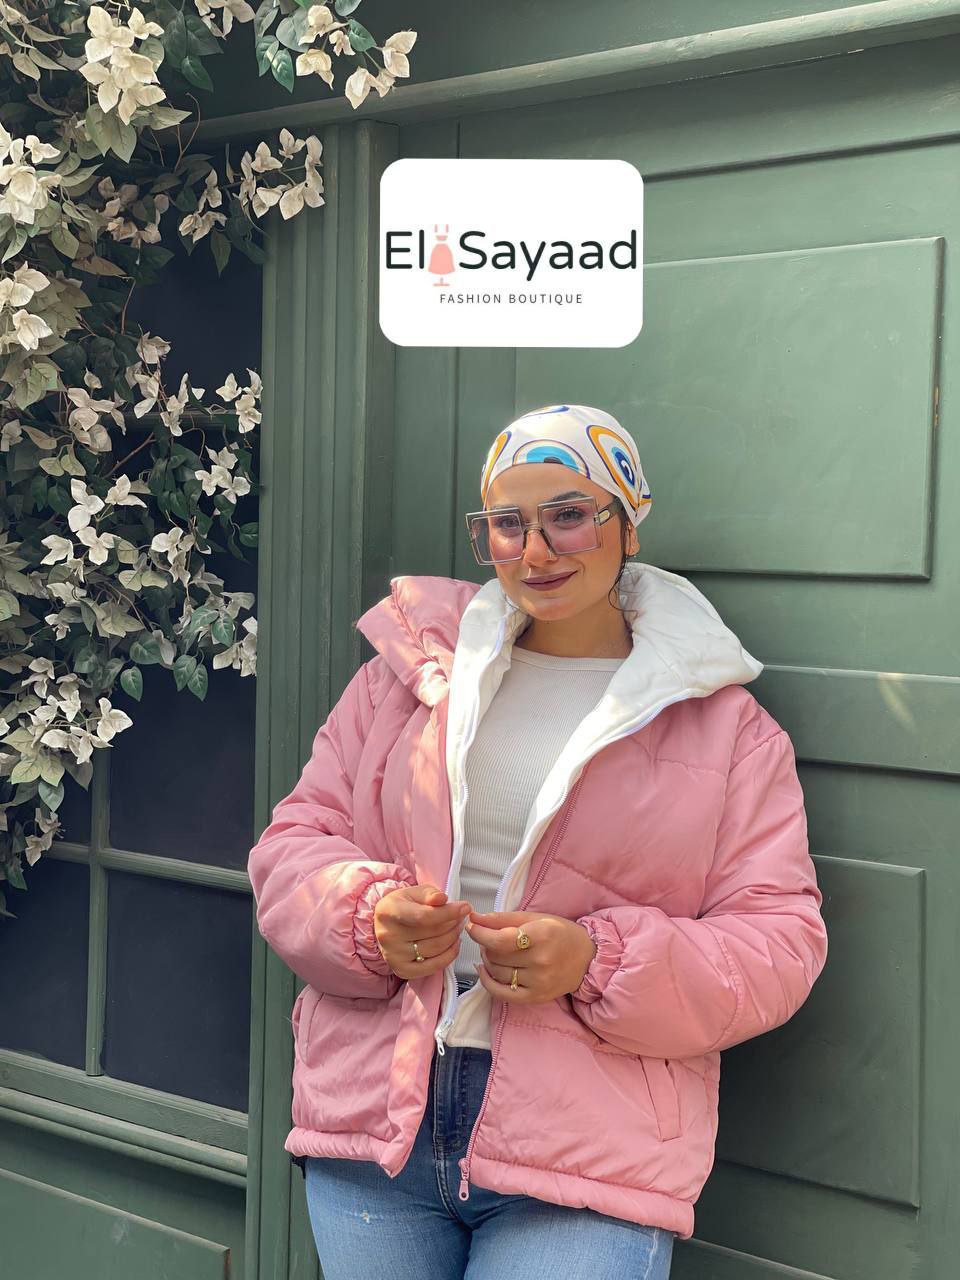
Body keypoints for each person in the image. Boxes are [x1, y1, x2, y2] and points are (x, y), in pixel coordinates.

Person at [247, 403, 829, 1279]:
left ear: (628, 522)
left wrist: (595, 961)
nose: (537, 550)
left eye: (569, 515)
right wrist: (367, 919)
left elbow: (780, 942)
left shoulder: (728, 730)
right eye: (507, 524)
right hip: (377, 1127)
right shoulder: (406, 676)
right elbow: (296, 843)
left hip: (588, 1153)